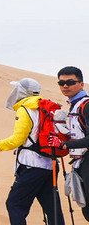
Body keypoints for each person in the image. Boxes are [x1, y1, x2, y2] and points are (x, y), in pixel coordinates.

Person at [0, 78, 66, 225]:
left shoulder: (25, 110)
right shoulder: (44, 108)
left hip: (31, 165)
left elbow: (17, 139)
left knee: (14, 204)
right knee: (52, 208)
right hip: (50, 164)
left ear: (21, 91)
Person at [50, 66, 89, 221]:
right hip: (81, 163)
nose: (65, 86)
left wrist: (65, 145)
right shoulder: (75, 105)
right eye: (61, 83)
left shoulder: (86, 105)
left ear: (81, 84)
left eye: (70, 82)